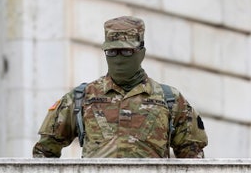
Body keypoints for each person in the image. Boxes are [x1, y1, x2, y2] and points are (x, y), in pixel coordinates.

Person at [32, 16, 208, 158]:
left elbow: (193, 160)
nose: (118, 58)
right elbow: (44, 152)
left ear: (141, 53)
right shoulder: (81, 97)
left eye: (126, 52)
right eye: (112, 52)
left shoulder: (170, 99)